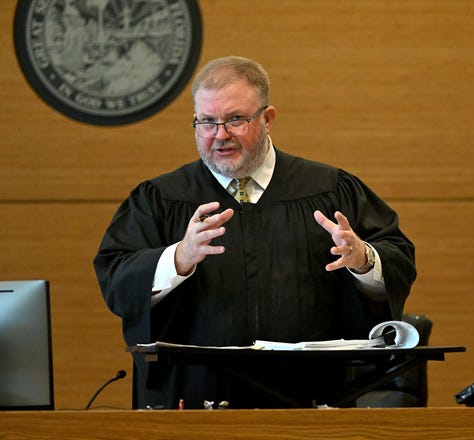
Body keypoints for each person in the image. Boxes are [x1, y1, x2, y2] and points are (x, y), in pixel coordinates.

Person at [93, 56, 416, 409]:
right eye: (206, 122)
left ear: (268, 118)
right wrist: (177, 259)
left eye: (235, 119)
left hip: (309, 401)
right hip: (192, 401)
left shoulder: (331, 189)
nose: (220, 135)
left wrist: (364, 260)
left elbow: (398, 257)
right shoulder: (159, 199)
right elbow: (115, 278)